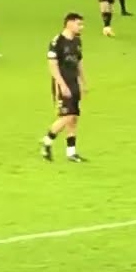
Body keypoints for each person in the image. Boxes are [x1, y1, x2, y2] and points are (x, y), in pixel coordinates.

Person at [42, 12, 87, 162]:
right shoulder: (57, 42)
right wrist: (62, 85)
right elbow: (52, 66)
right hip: (62, 83)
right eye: (79, 24)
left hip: (74, 83)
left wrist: (83, 82)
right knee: (66, 116)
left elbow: (79, 62)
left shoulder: (77, 41)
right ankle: (47, 141)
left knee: (73, 117)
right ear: (69, 23)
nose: (81, 27)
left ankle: (71, 152)